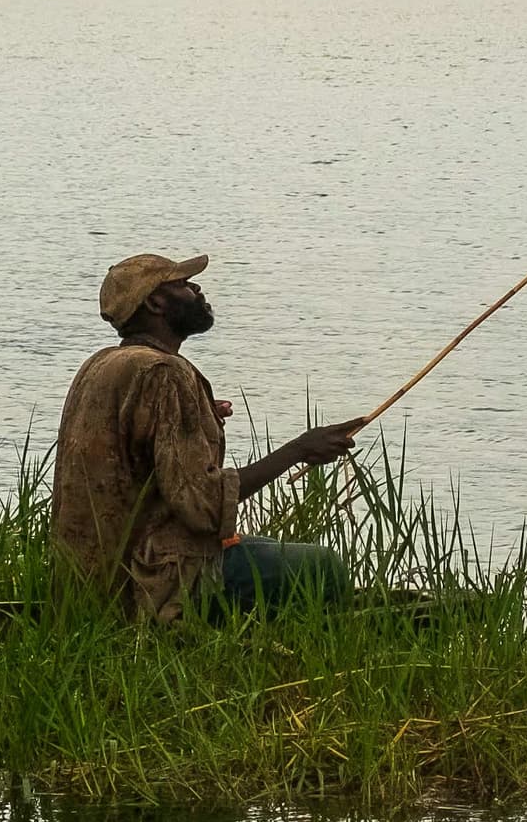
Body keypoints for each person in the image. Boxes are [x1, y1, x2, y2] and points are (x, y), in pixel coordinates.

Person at [50, 252, 361, 620]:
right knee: (325, 566)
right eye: (183, 284)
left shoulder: (102, 364)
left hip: (95, 578)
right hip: (153, 580)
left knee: (267, 547)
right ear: (155, 303)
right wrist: (299, 450)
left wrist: (197, 416)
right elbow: (204, 504)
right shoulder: (165, 372)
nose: (196, 288)